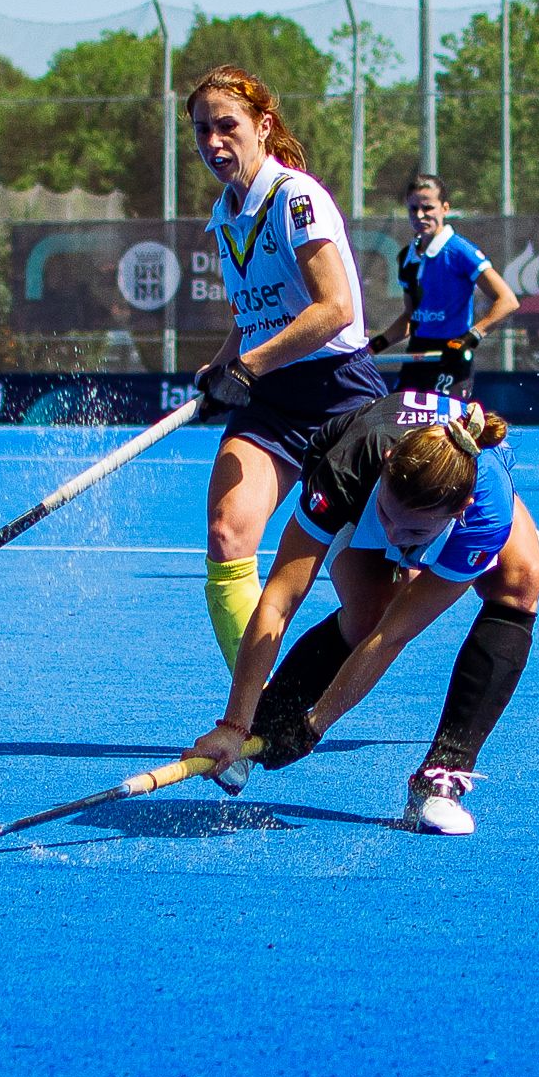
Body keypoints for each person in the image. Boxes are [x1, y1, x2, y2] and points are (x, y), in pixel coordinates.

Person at [186, 394, 539, 835]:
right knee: (367, 610)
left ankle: (441, 777)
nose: (395, 537)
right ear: (387, 463)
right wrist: (236, 724)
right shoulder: (345, 472)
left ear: (457, 512)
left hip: (474, 506)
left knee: (519, 584)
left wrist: (313, 726)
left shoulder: (480, 511)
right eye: (387, 516)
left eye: (414, 533)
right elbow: (278, 600)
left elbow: (394, 636)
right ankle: (265, 718)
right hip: (359, 483)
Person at [189, 64, 386, 670]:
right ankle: (257, 706)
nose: (215, 142)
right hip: (272, 403)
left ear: (262, 125)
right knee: (227, 534)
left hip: (342, 396)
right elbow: (257, 314)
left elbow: (334, 309)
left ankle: (511, 539)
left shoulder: (294, 197)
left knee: (371, 604)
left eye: (228, 126)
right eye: (202, 131)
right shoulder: (225, 214)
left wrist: (246, 366)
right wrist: (219, 367)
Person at [369, 175, 518, 392]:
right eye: (413, 209)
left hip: (452, 356)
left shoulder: (460, 252)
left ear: (445, 208)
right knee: (402, 424)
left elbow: (508, 301)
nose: (420, 215)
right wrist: (374, 347)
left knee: (441, 426)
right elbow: (411, 318)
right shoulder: (406, 257)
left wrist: (471, 337)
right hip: (417, 357)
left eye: (428, 208)